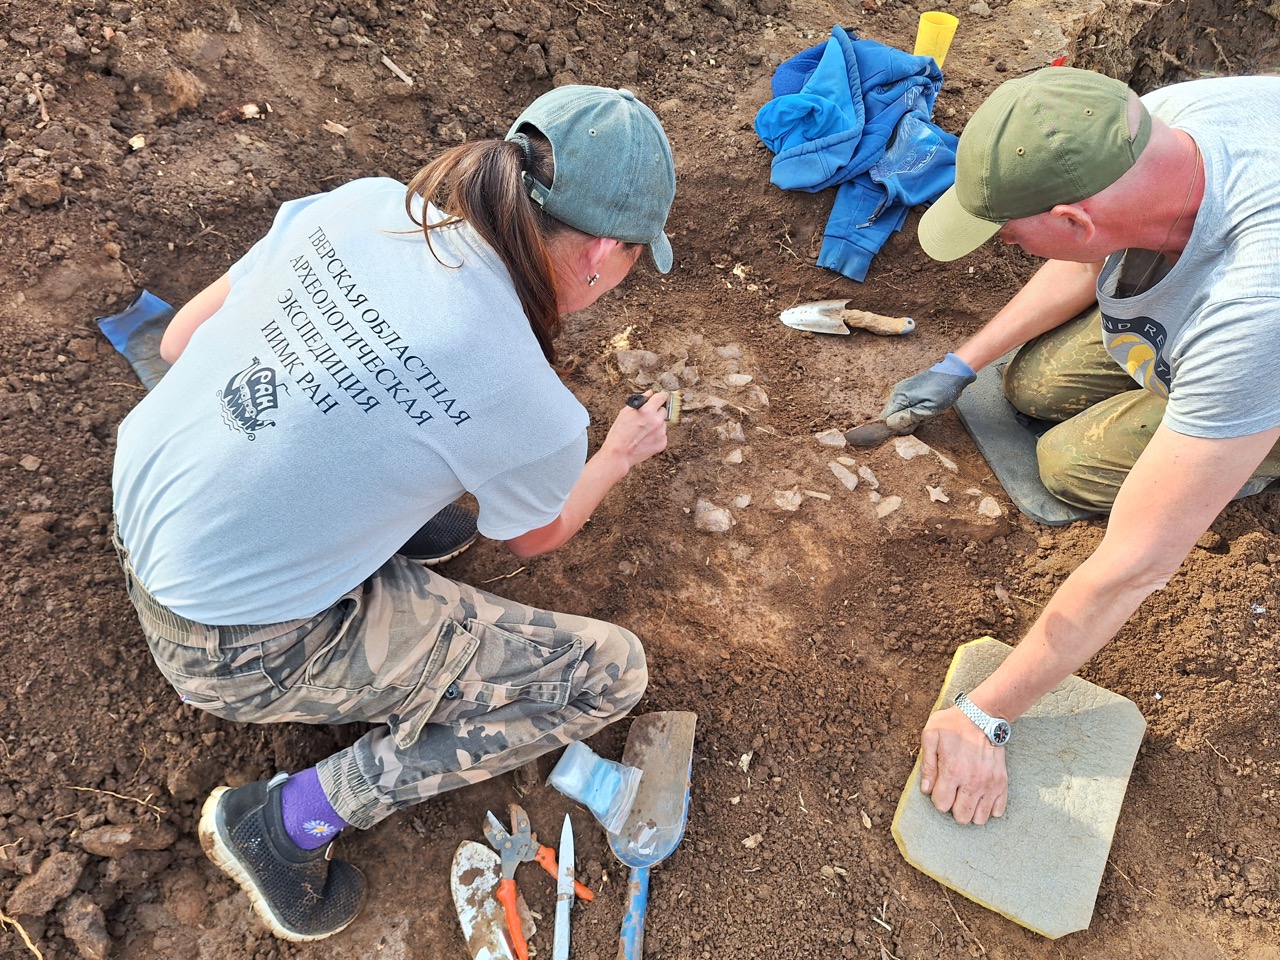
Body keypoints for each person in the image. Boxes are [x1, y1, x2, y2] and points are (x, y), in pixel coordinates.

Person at [110, 85, 677, 940]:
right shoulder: (533, 406)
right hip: (229, 645)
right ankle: (287, 822)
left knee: (418, 482)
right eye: (637, 254)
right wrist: (617, 454)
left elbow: (183, 341)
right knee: (608, 674)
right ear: (602, 250)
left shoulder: (365, 205)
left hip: (141, 505)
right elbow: (539, 535)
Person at [870, 66, 1280, 824]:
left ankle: (1247, 453)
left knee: (1065, 465)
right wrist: (963, 364)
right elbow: (1085, 255)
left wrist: (985, 715)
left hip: (1263, 362)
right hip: (1214, 297)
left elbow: (1135, 567)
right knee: (1026, 384)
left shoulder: (1255, 307)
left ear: (1072, 220)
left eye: (1010, 232)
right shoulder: (1142, 124)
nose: (1005, 245)